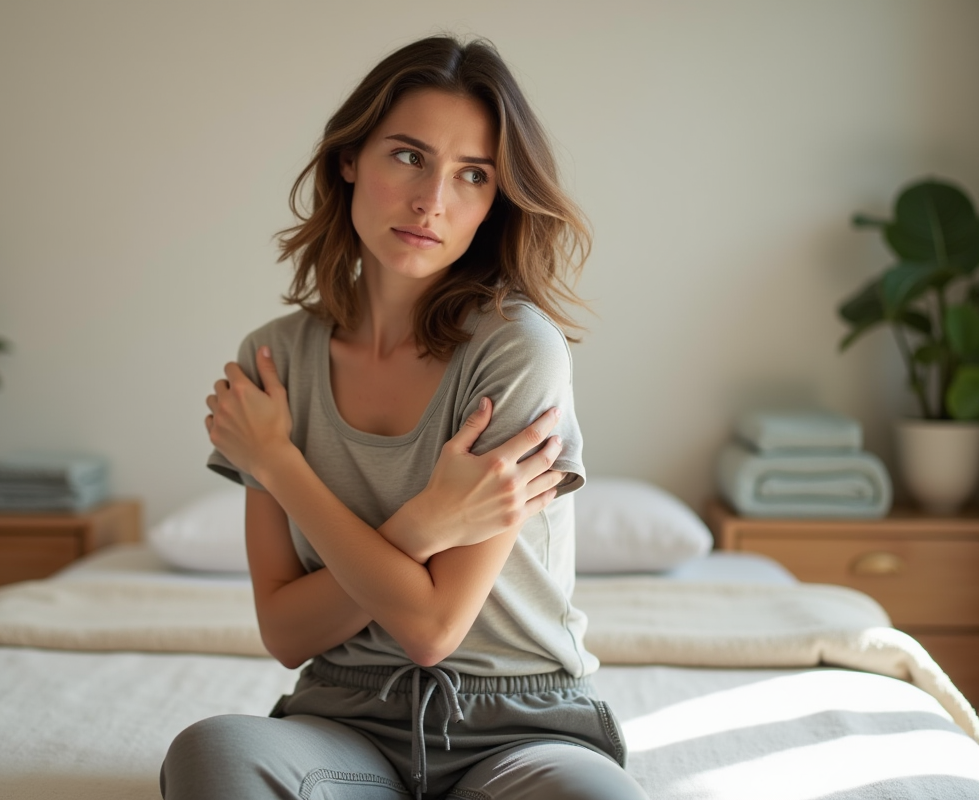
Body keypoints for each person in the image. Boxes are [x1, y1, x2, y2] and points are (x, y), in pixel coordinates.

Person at [160, 35, 648, 800]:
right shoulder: (275, 361)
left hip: (521, 726)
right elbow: (286, 637)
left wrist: (279, 464)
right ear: (350, 158)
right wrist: (425, 525)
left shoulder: (517, 350)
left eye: (472, 175)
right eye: (409, 156)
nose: (431, 202)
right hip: (342, 723)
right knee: (212, 752)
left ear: (495, 200)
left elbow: (431, 630)